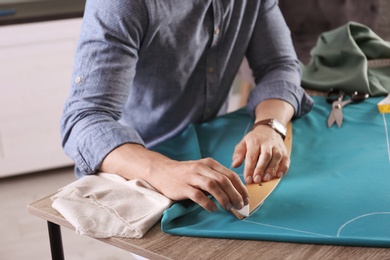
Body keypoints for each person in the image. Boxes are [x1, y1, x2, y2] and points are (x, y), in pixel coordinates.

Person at [60, 0, 313, 214]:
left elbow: (278, 66)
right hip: (137, 169)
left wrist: (269, 126)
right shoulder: (121, 4)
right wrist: (162, 169)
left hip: (212, 145)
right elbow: (84, 118)